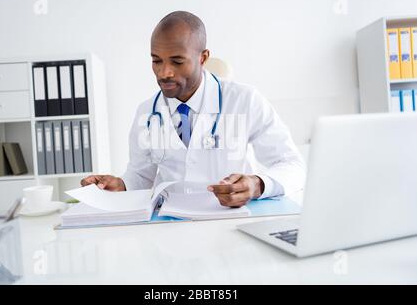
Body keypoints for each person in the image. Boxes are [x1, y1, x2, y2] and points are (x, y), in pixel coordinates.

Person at [81, 11, 305, 207]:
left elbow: (292, 166)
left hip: (230, 223)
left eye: (177, 62)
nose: (164, 72)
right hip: (169, 229)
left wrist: (257, 184)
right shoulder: (147, 113)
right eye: (156, 61)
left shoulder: (245, 101)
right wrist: (121, 185)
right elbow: (140, 176)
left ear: (203, 57)